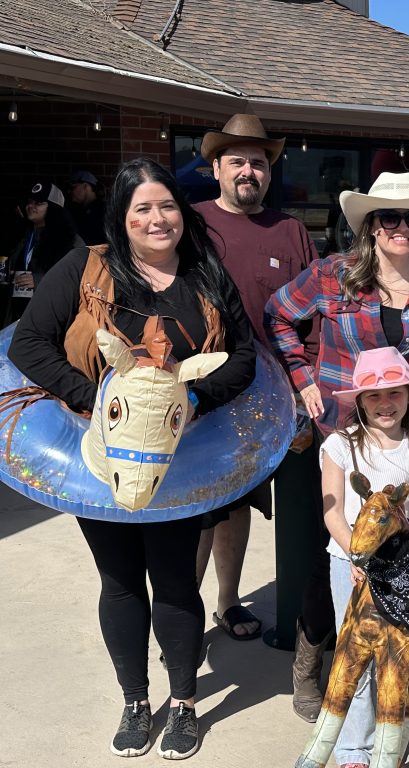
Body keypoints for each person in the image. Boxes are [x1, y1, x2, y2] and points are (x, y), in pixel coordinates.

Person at [8, 158, 256, 760]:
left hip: (181, 459)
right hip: (99, 458)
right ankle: (134, 699)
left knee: (174, 580)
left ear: (182, 211)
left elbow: (245, 358)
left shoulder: (206, 276)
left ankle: (183, 702)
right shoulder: (85, 268)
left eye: (166, 205)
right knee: (118, 580)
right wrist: (92, 398)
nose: (156, 218)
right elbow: (27, 343)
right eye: (141, 208)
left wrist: (194, 398)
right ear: (122, 217)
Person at [265, 171, 409, 718]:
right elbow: (278, 315)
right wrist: (304, 381)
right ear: (371, 227)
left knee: (401, 558)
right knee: (332, 557)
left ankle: (389, 670)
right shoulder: (335, 276)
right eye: (388, 218)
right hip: (341, 441)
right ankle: (312, 667)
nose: (401, 228)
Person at [194, 113, 319, 648]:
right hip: (205, 394)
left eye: (260, 162)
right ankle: (185, 616)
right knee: (201, 507)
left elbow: (313, 315)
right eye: (238, 160)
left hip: (276, 397)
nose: (250, 170)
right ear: (216, 167)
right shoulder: (190, 224)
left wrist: (306, 387)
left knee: (242, 504)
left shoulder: (289, 231)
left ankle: (227, 601)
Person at [319, 346, 409, 767]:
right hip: (351, 567)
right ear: (358, 401)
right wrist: (356, 558)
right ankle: (353, 747)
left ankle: (384, 742)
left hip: (402, 573)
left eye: (395, 392)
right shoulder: (341, 447)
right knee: (357, 656)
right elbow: (333, 511)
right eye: (374, 395)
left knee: (394, 659)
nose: (385, 403)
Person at [2, 181, 81, 325]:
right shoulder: (22, 234)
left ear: (53, 209)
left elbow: (78, 275)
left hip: (47, 316)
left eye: (38, 203)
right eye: (30, 202)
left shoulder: (69, 240)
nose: (31, 207)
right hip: (17, 312)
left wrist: (39, 280)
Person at [67, 170, 107, 245]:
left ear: (85, 186)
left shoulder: (101, 212)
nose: (69, 191)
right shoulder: (81, 210)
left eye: (73, 187)